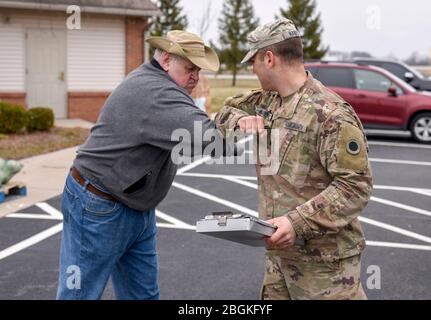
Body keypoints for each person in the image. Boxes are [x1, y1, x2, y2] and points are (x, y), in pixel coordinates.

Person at [57, 30, 238, 300]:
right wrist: (242, 116)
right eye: (189, 68)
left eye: (198, 70)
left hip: (132, 205)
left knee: (142, 295)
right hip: (98, 205)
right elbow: (217, 143)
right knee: (79, 293)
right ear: (166, 60)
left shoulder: (158, 84)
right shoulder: (157, 93)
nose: (196, 77)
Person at [214, 19, 373, 300]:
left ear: (269, 58)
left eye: (253, 61)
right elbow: (224, 112)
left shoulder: (330, 113)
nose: (251, 68)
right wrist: (241, 120)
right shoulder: (267, 101)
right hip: (279, 258)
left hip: (325, 268)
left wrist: (295, 222)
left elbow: (355, 187)